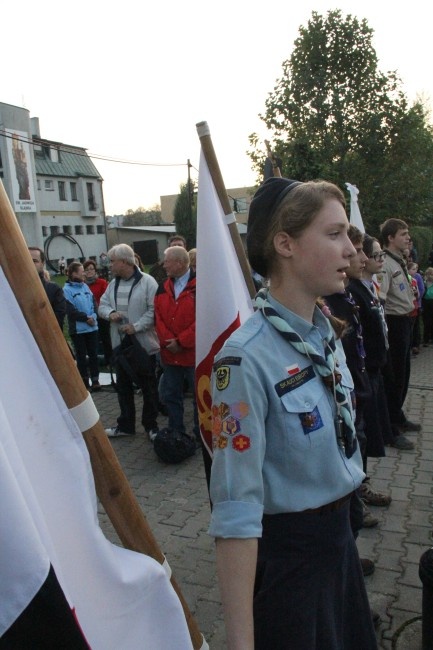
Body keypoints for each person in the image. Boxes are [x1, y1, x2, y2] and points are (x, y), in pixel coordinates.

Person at [209, 177, 377, 650]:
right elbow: (235, 513)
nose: (352, 250)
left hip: (340, 552)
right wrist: (243, 642)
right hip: (292, 575)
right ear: (285, 243)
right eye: (335, 234)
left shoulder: (324, 335)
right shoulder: (244, 360)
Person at [99, 244, 160, 440]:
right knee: (123, 387)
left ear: (125, 262)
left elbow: (154, 311)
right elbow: (102, 305)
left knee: (148, 387)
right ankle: (125, 425)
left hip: (143, 346)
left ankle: (151, 426)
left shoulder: (148, 282)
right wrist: (110, 313)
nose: (110, 265)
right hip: (120, 346)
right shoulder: (112, 284)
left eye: (112, 261)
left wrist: (137, 326)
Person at [378, 218, 420, 447]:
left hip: (406, 321)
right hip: (394, 324)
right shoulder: (385, 264)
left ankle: (398, 416)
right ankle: (391, 427)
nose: (408, 238)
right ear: (390, 238)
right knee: (394, 378)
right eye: (403, 234)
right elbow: (381, 300)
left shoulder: (399, 260)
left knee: (404, 374)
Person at [154, 246, 200, 444]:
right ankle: (176, 430)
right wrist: (169, 342)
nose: (164, 265)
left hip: (193, 355)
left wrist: (181, 342)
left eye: (167, 261)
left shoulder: (201, 286)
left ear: (180, 263)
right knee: (171, 394)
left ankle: (201, 434)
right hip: (170, 354)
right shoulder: (162, 287)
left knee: (200, 396)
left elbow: (204, 319)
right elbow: (158, 318)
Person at [63, 262, 100, 391]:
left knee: (93, 354)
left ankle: (96, 380)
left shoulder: (85, 287)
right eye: (81, 271)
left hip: (92, 328)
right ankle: (84, 382)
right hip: (78, 330)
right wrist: (85, 318)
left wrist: (93, 317)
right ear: (73, 274)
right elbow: (70, 310)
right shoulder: (66, 290)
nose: (84, 273)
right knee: (81, 356)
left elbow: (94, 303)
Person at [28, 247, 66, 329]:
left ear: (42, 263)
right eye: (27, 259)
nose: (30, 263)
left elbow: (58, 318)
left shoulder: (54, 289)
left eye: (35, 261)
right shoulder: (13, 290)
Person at [83, 259, 112, 366]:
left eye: (91, 269)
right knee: (92, 340)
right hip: (89, 316)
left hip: (101, 315)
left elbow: (104, 298)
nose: (89, 271)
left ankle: (109, 359)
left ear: (95, 271)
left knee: (106, 338)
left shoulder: (102, 283)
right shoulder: (83, 285)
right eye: (87, 270)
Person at [407, 261, 424, 355]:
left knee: (415, 326)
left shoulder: (416, 278)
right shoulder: (407, 278)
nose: (415, 271)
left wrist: (417, 298)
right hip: (409, 307)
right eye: (413, 269)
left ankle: (415, 345)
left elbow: (420, 290)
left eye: (416, 268)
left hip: (415, 305)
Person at [422, 267, 433, 345]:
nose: (430, 276)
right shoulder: (424, 282)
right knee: (427, 321)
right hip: (426, 302)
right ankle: (426, 338)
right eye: (429, 274)